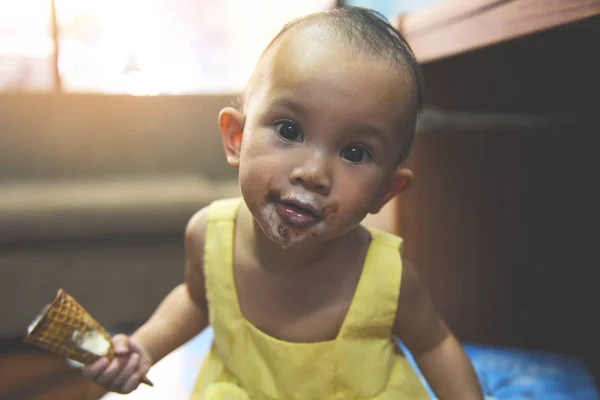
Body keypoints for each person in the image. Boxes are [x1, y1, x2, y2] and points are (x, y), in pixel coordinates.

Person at [83, 6, 483, 399]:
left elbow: (435, 344)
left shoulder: (385, 275)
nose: (312, 172)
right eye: (289, 130)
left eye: (355, 153)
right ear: (236, 138)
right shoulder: (208, 236)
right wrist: (146, 347)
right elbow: (195, 299)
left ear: (384, 191)